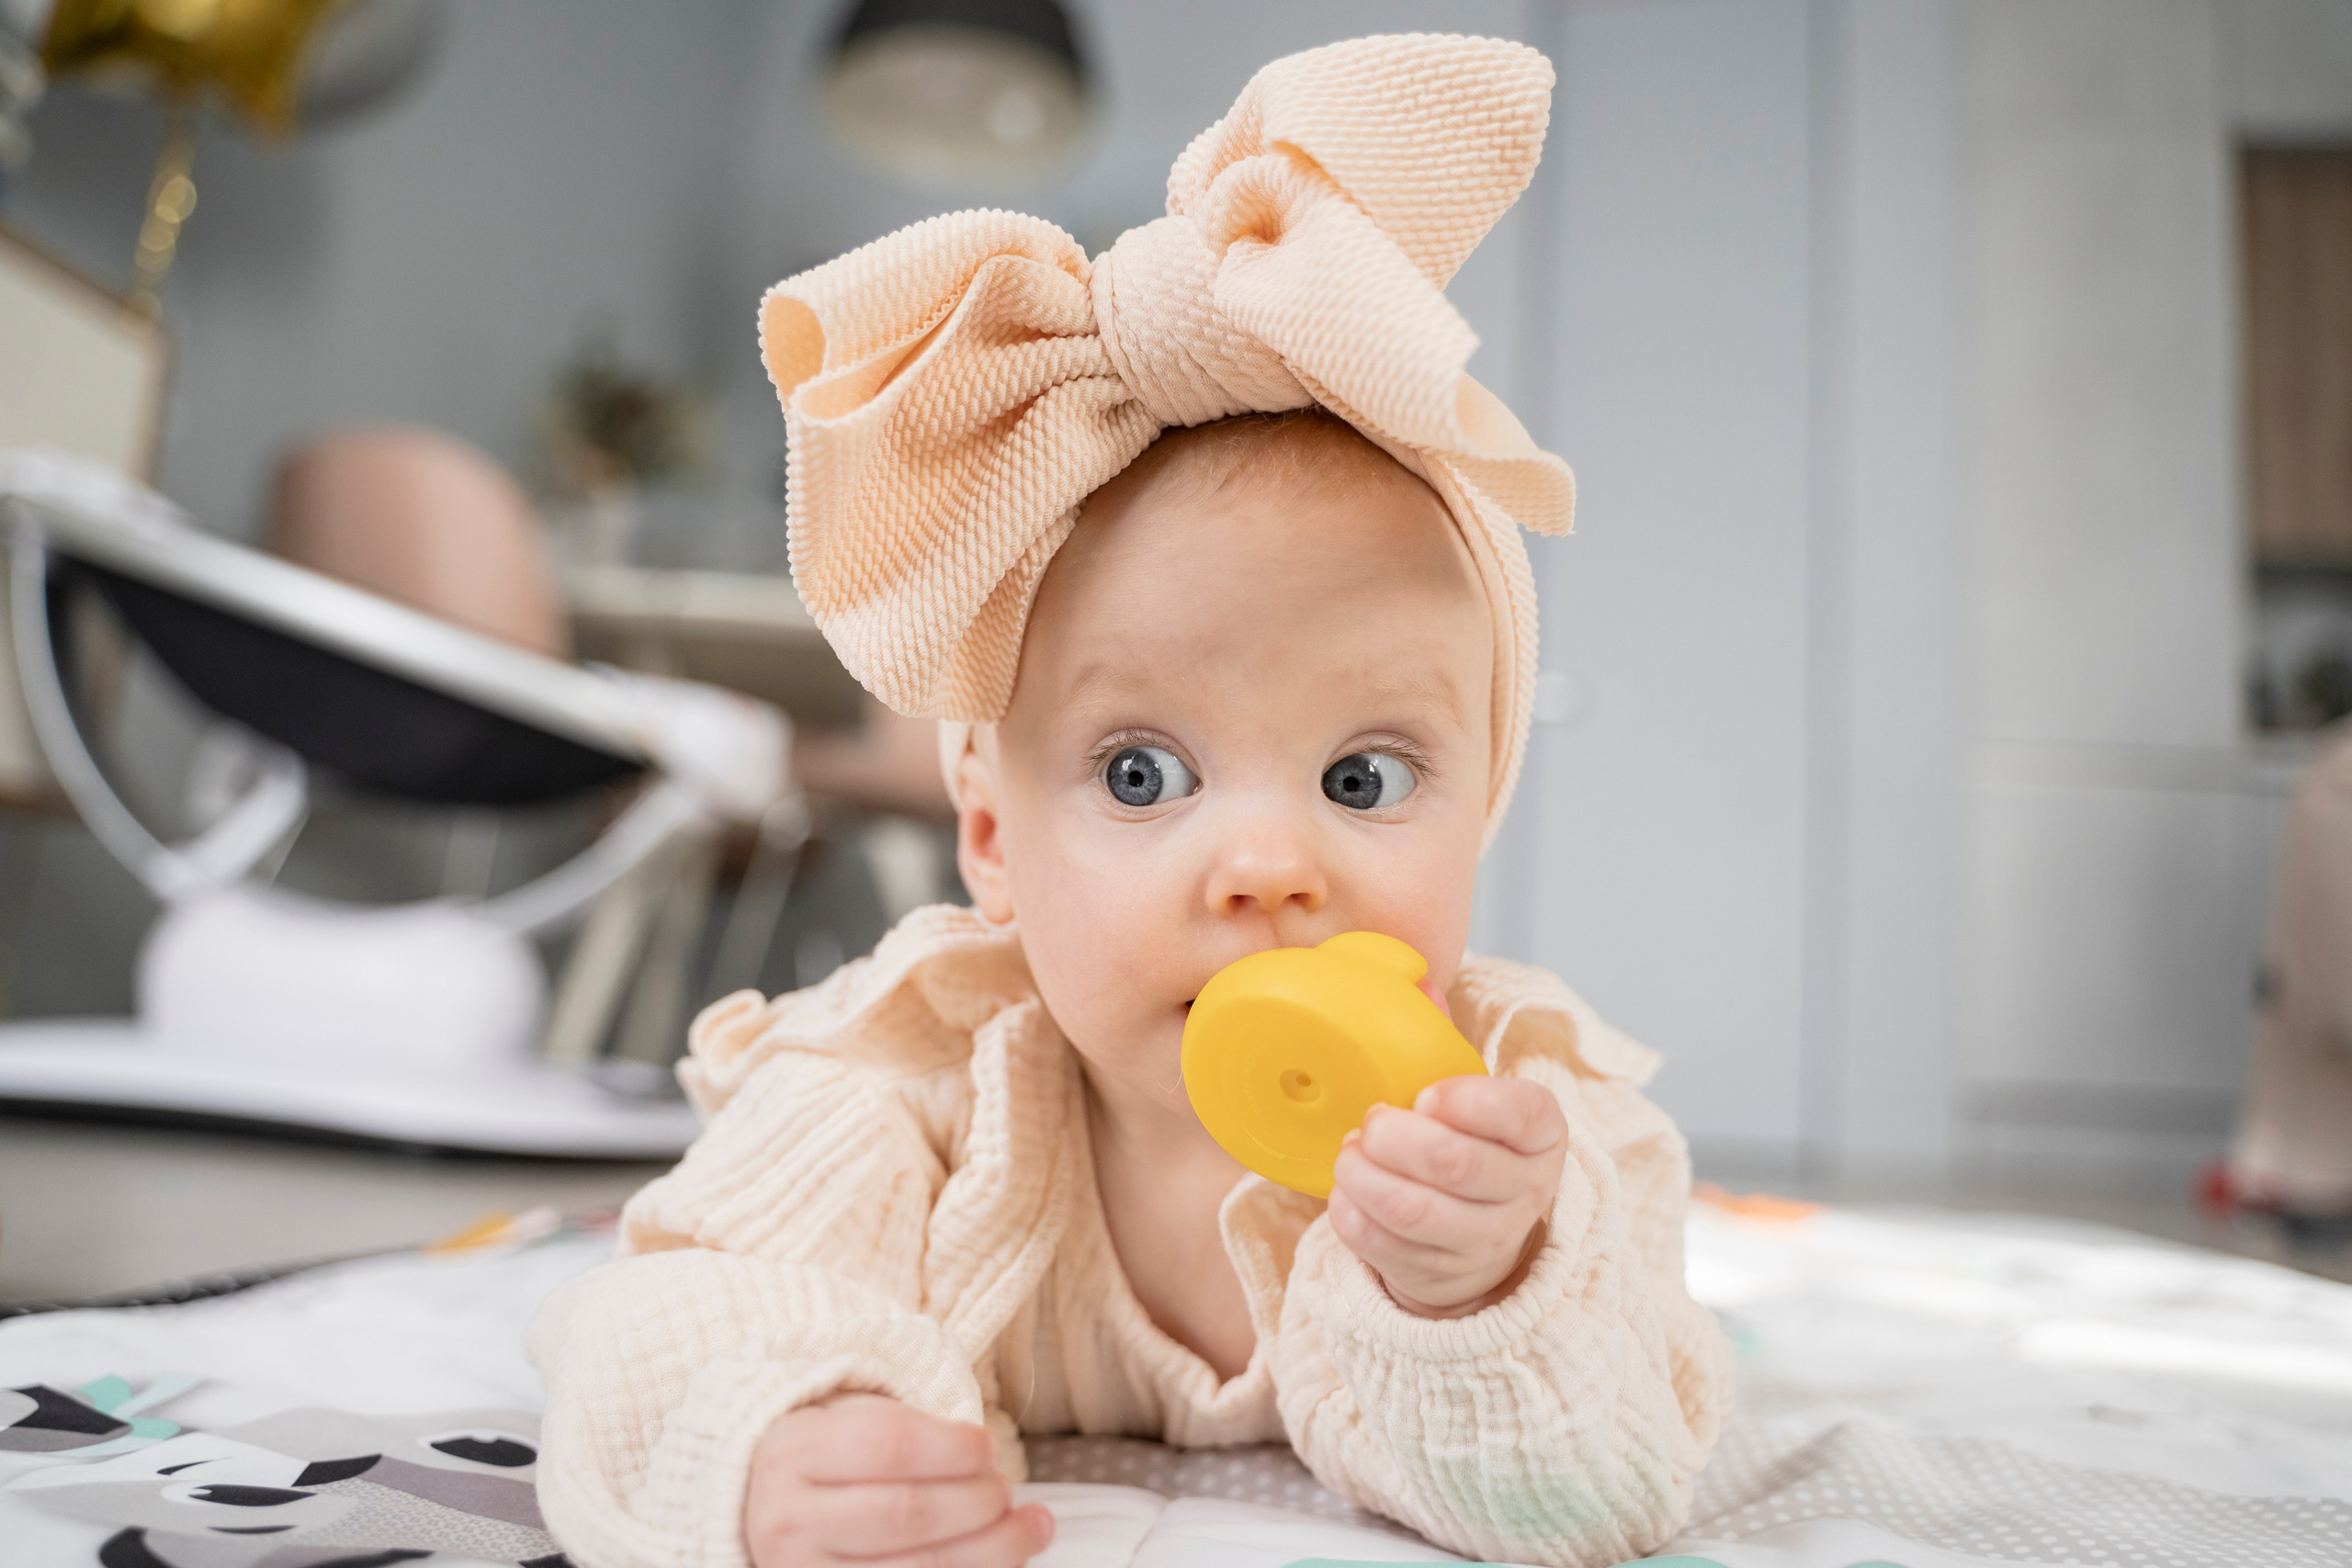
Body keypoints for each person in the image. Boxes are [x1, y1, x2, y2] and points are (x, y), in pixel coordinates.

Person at [528, 34, 1732, 1568]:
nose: (1266, 865)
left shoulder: (1533, 1149)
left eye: (1364, 779)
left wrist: (1477, 1298)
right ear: (990, 841)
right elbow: (666, 1307)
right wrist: (767, 1442)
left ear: (1477, 809)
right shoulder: (910, 1089)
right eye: (1141, 774)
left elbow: (1607, 1500)